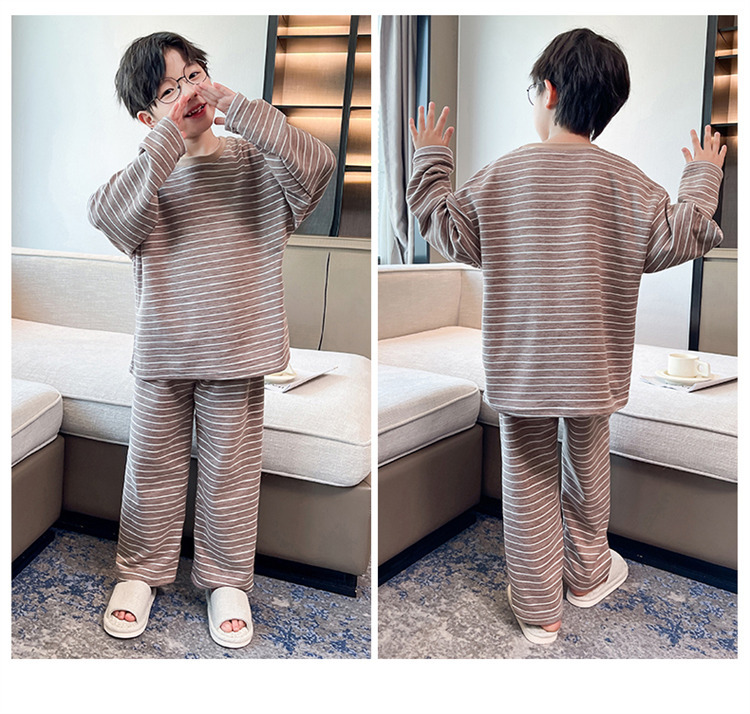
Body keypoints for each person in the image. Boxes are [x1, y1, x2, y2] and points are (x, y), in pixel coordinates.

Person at [406, 27, 726, 645]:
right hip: (593, 366)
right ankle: (586, 575)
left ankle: (539, 612)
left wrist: (430, 160)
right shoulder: (628, 182)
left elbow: (446, 231)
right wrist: (700, 177)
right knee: (588, 465)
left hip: (523, 367)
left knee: (527, 476)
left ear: (548, 92)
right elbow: (681, 236)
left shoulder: (504, 174)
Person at [88, 31, 335, 648]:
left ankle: (226, 580)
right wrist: (165, 142)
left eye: (193, 74)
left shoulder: (257, 166)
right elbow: (108, 216)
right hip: (164, 352)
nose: (188, 92)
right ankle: (140, 572)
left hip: (238, 350)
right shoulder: (147, 176)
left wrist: (242, 109)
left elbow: (319, 164)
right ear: (147, 117)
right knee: (152, 467)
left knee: (231, 470)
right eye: (168, 90)